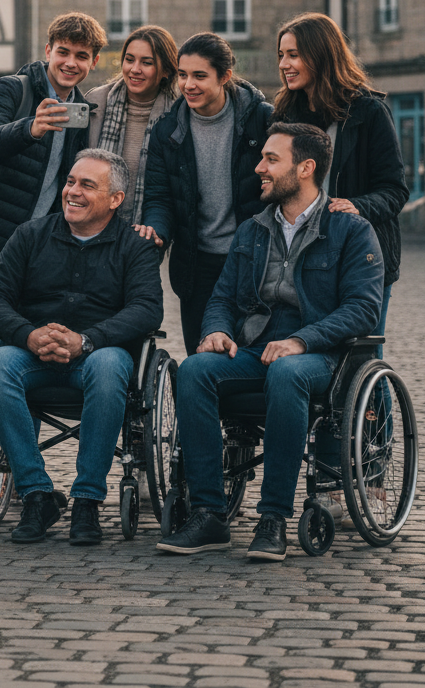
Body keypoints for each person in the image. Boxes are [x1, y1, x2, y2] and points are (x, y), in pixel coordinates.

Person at [157, 124, 384, 562]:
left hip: (323, 357)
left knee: (286, 372)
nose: (259, 168)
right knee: (195, 370)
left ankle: (273, 517)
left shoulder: (350, 230)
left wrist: (302, 340)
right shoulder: (252, 231)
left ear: (306, 168)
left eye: (271, 160)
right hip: (257, 347)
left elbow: (362, 309)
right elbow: (222, 296)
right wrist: (217, 330)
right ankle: (209, 513)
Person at [0, 12, 107, 513]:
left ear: (92, 62)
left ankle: (16, 468)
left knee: (21, 359)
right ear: (48, 49)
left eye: (81, 56)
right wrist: (28, 127)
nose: (70, 62)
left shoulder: (82, 112)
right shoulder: (11, 89)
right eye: (64, 52)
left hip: (31, 259)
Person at [0, 149, 163, 544]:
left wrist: (86, 340)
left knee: (111, 364)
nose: (73, 192)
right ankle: (37, 494)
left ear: (115, 199)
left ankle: (86, 500)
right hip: (33, 354)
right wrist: (30, 335)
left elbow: (147, 310)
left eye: (87, 186)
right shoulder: (30, 235)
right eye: (71, 182)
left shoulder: (135, 246)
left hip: (99, 355)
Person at [272, 12, 408, 339]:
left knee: (360, 358)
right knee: (309, 349)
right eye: (281, 56)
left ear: (320, 56)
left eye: (293, 55)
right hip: (302, 258)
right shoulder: (285, 114)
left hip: (361, 255)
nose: (284, 64)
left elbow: (394, 189)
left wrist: (356, 206)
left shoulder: (369, 113)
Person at [137, 32, 273, 355]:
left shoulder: (262, 120)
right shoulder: (167, 131)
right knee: (203, 357)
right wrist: (156, 228)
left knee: (252, 355)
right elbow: (159, 197)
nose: (188, 85)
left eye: (200, 76)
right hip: (196, 267)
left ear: (225, 76)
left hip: (255, 260)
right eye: (183, 75)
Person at [85, 24, 178, 226]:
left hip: (148, 233)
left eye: (147, 62)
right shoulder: (96, 102)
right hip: (92, 227)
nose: (135, 69)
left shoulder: (179, 114)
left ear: (166, 70)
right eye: (129, 60)